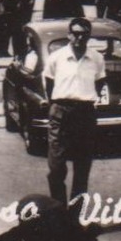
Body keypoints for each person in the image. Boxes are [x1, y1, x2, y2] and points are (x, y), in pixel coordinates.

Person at [43, 16, 107, 206]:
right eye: (76, 34)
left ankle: (75, 216)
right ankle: (58, 209)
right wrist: (56, 105)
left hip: (85, 113)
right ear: (69, 35)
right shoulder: (57, 57)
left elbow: (100, 82)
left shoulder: (96, 58)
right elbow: (49, 82)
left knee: (82, 167)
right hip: (60, 111)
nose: (79, 39)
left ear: (89, 36)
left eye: (84, 35)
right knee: (56, 166)